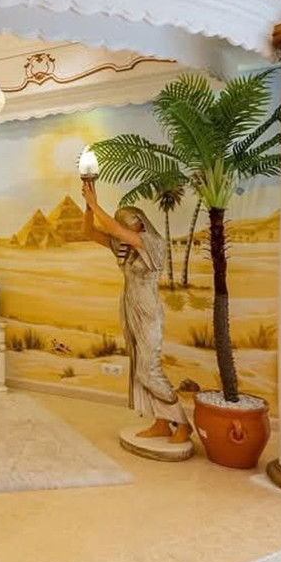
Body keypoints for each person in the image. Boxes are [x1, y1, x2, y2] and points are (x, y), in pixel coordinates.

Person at [80, 180, 192, 445]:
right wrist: (88, 207)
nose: (121, 228)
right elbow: (88, 231)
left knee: (148, 369)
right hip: (130, 308)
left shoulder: (152, 242)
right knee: (140, 368)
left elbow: (114, 229)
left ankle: (183, 423)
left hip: (147, 309)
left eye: (126, 223)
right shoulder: (124, 247)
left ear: (140, 223)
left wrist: (96, 204)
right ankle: (161, 423)